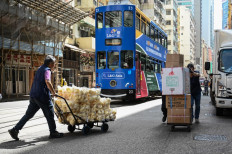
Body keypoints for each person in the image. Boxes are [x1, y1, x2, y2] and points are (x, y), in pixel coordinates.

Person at [8, 55, 63, 140]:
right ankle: (53, 132)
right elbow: (47, 81)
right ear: (50, 63)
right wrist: (53, 92)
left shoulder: (40, 68)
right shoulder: (47, 70)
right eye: (54, 63)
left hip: (34, 95)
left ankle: (15, 130)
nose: (54, 65)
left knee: (28, 114)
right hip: (42, 96)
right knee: (50, 114)